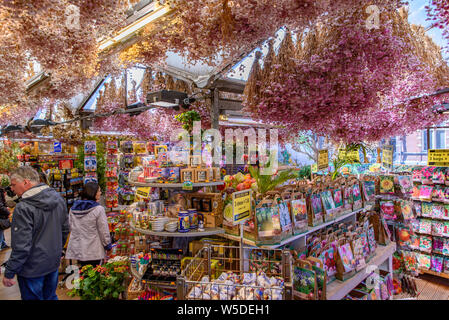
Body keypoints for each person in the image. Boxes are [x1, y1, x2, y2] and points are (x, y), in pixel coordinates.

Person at [2, 166, 69, 300]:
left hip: (32, 269)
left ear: (26, 182)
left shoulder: (23, 208)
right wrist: (58, 251)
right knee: (50, 296)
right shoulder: (57, 198)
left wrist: (9, 272)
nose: (12, 189)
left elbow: (21, 246)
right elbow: (65, 229)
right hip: (52, 263)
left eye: (14, 184)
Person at [65, 182, 112, 268]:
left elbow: (71, 227)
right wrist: (108, 246)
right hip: (93, 250)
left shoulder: (73, 209)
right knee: (94, 275)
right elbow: (103, 230)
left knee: (84, 272)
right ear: (93, 193)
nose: (100, 193)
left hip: (79, 249)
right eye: (99, 191)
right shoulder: (98, 209)